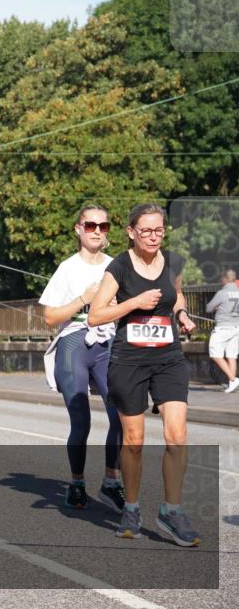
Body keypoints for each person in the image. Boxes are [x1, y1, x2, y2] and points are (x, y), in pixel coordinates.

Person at [88, 203, 199, 546]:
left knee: (177, 434)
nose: (154, 236)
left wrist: (181, 313)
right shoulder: (118, 268)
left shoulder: (174, 261)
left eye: (159, 230)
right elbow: (95, 316)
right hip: (129, 360)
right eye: (146, 230)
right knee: (134, 441)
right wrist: (134, 302)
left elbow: (175, 293)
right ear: (131, 232)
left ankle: (171, 510)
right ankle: (132, 508)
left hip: (168, 358)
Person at [39, 205, 124, 512]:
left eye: (103, 226)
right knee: (82, 420)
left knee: (121, 417)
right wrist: (84, 300)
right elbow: (50, 317)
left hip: (108, 342)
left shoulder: (119, 265)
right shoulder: (67, 268)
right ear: (78, 229)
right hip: (74, 342)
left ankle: (111, 482)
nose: (97, 231)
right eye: (90, 225)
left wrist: (117, 305)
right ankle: (76, 483)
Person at [206, 269, 239, 393]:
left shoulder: (222, 292)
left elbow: (209, 308)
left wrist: (216, 308)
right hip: (236, 327)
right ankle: (232, 383)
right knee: (231, 355)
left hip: (223, 327)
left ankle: (233, 379)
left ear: (225, 279)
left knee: (215, 354)